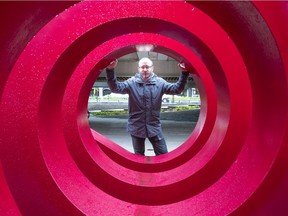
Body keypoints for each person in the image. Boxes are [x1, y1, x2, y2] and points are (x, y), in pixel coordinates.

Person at [105, 57, 190, 156]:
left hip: (154, 127)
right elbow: (115, 88)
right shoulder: (131, 83)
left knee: (163, 155)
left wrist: (184, 73)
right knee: (139, 156)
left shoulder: (160, 83)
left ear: (152, 68)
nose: (145, 69)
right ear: (138, 69)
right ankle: (140, 172)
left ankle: (161, 172)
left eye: (147, 67)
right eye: (142, 67)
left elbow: (176, 89)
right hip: (136, 127)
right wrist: (110, 70)